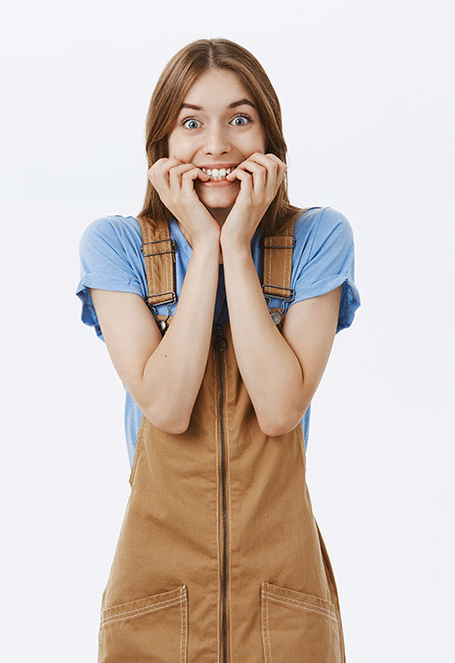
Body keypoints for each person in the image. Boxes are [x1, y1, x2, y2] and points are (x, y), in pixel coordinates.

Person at [75, 38, 360, 662]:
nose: (216, 146)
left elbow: (280, 408)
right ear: (161, 145)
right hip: (155, 603)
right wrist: (204, 246)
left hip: (284, 604)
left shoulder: (319, 238)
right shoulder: (115, 247)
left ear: (269, 137)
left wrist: (237, 245)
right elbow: (167, 406)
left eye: (239, 119)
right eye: (191, 123)